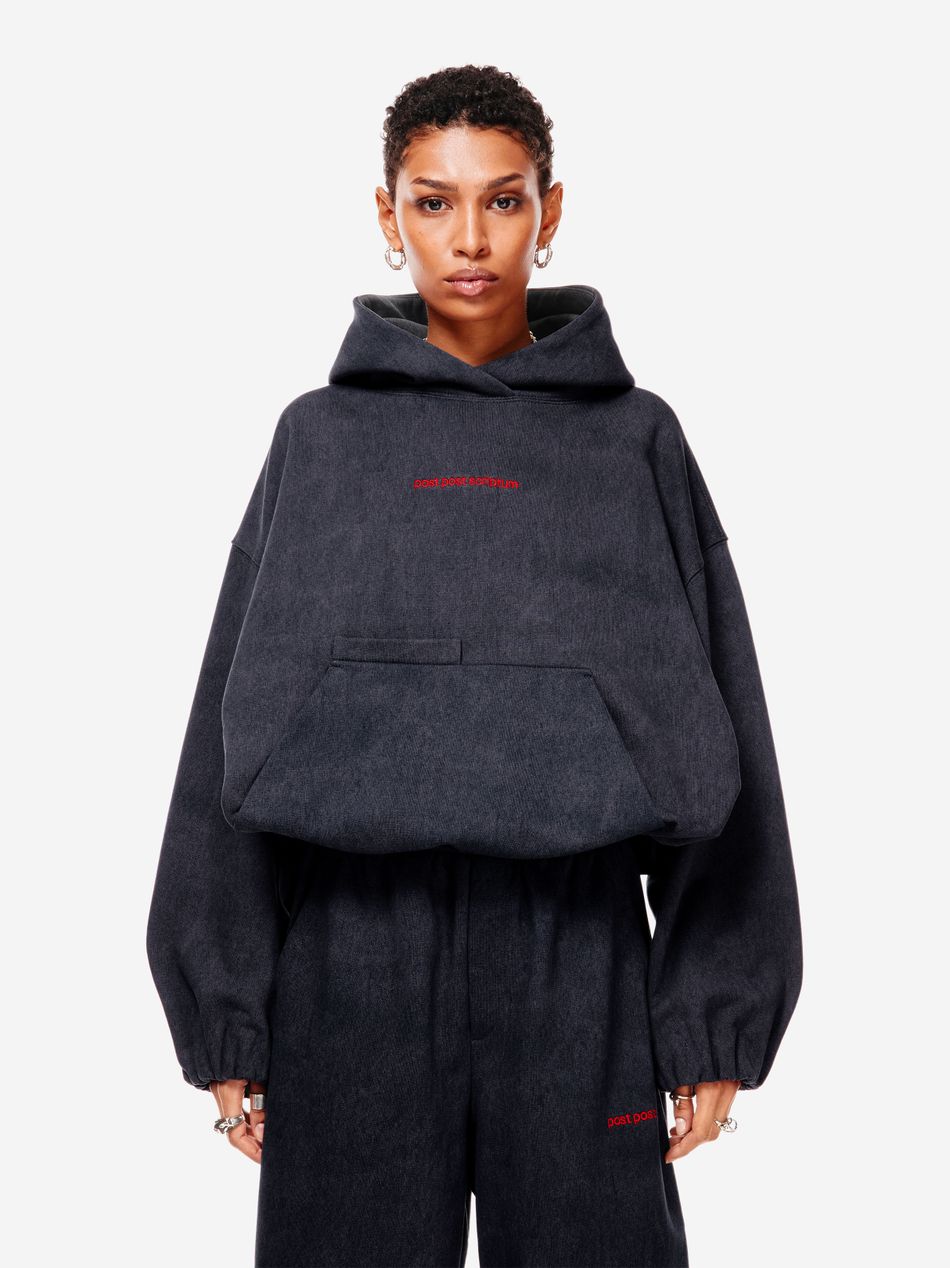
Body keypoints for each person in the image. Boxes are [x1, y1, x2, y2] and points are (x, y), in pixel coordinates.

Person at [146, 63, 803, 1268]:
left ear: (549, 213)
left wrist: (713, 1012)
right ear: (385, 213)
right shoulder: (318, 440)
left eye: (502, 200)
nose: (468, 238)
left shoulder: (635, 442)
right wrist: (222, 1005)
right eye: (433, 200)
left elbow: (716, 719)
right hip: (349, 960)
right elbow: (230, 730)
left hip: (578, 956)